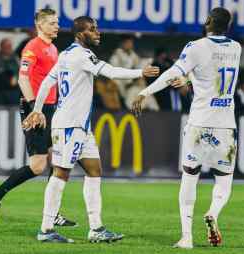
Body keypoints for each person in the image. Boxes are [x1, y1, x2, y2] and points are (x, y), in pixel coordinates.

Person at [22, 16, 159, 243]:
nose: (97, 32)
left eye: (97, 28)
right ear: (80, 34)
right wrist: (140, 72)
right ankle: (46, 229)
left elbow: (48, 81)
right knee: (61, 173)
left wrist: (37, 109)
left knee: (94, 171)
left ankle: (96, 228)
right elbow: (112, 73)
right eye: (92, 29)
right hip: (69, 125)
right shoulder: (81, 55)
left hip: (80, 127)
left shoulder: (66, 54)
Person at [132, 7, 241, 249]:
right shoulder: (236, 48)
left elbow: (173, 73)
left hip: (199, 123)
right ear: (228, 26)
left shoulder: (195, 47)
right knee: (224, 181)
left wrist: (145, 91)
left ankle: (187, 237)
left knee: (190, 178)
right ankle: (213, 212)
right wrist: (191, 79)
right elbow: (215, 74)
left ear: (208, 21)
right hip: (225, 125)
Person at [0, 8, 76, 228]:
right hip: (36, 107)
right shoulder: (32, 48)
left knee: (58, 162)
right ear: (40, 25)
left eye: (57, 23)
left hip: (53, 108)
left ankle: (52, 214)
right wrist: (35, 107)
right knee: (37, 166)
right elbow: (22, 79)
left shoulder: (53, 48)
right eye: (52, 23)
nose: (57, 26)